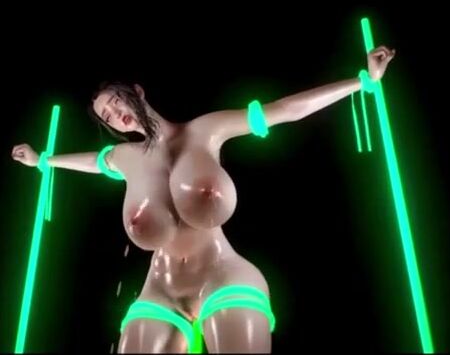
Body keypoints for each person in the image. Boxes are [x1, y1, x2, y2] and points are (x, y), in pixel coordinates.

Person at [11, 46, 395, 353]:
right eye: (107, 116)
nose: (116, 114)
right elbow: (89, 162)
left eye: (116, 101)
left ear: (137, 92)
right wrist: (41, 161)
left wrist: (362, 81)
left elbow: (284, 111)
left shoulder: (205, 130)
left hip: (223, 276)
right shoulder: (123, 159)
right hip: (159, 291)